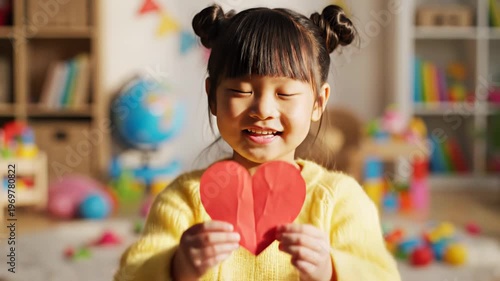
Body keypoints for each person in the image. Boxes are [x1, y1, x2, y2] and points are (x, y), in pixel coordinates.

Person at [115, 4, 400, 281]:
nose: (262, 110)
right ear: (213, 96)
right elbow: (131, 273)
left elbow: (381, 274)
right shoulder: (183, 199)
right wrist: (176, 268)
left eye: (285, 94)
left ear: (318, 102)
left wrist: (331, 270)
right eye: (241, 90)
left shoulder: (341, 199)